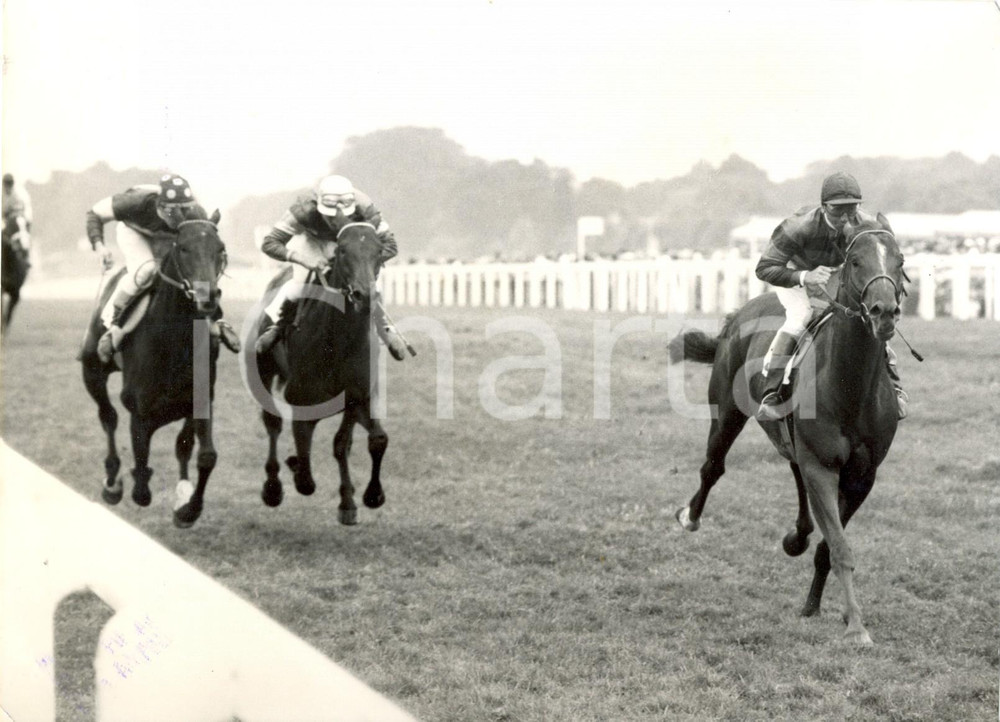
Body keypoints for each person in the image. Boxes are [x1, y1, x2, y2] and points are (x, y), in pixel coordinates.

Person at [754, 172, 907, 421]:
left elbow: (880, 259)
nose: (846, 217)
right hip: (793, 272)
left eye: (852, 208)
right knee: (801, 316)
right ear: (824, 206)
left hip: (837, 274)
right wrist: (805, 276)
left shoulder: (866, 224)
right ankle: (772, 392)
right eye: (838, 210)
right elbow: (764, 268)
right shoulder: (797, 226)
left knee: (869, 318)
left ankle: (894, 386)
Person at [86, 174, 240, 362]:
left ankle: (217, 319)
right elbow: (94, 214)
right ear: (160, 206)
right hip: (134, 231)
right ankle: (113, 322)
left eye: (185, 209)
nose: (181, 216)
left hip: (165, 235)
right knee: (146, 269)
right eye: (174, 211)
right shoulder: (135, 203)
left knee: (192, 269)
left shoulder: (193, 212)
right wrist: (99, 246)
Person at [255, 174, 407, 359]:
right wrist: (302, 259)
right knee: (300, 283)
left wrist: (362, 262)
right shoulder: (303, 208)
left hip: (351, 244)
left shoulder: (366, 208)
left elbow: (391, 246)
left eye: (342, 213)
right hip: (313, 242)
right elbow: (270, 243)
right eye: (329, 214)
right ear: (319, 204)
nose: (335, 220)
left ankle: (384, 327)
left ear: (352, 206)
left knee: (370, 283)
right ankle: (278, 326)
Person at [2, 173, 33, 252]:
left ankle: (27, 259)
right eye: (6, 183)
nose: (8, 185)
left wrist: (26, 219)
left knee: (24, 238)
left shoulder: (20, 193)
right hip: (7, 222)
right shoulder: (2, 194)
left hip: (20, 220)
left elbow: (27, 208)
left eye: (10, 183)